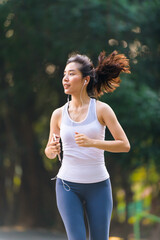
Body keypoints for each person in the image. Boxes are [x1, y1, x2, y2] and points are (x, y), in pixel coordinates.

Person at [45, 50, 131, 240]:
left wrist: (93, 142)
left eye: (72, 74)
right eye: (64, 74)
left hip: (99, 186)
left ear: (85, 80)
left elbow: (124, 145)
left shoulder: (101, 109)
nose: (65, 78)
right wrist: (51, 150)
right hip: (67, 186)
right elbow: (50, 152)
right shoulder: (58, 114)